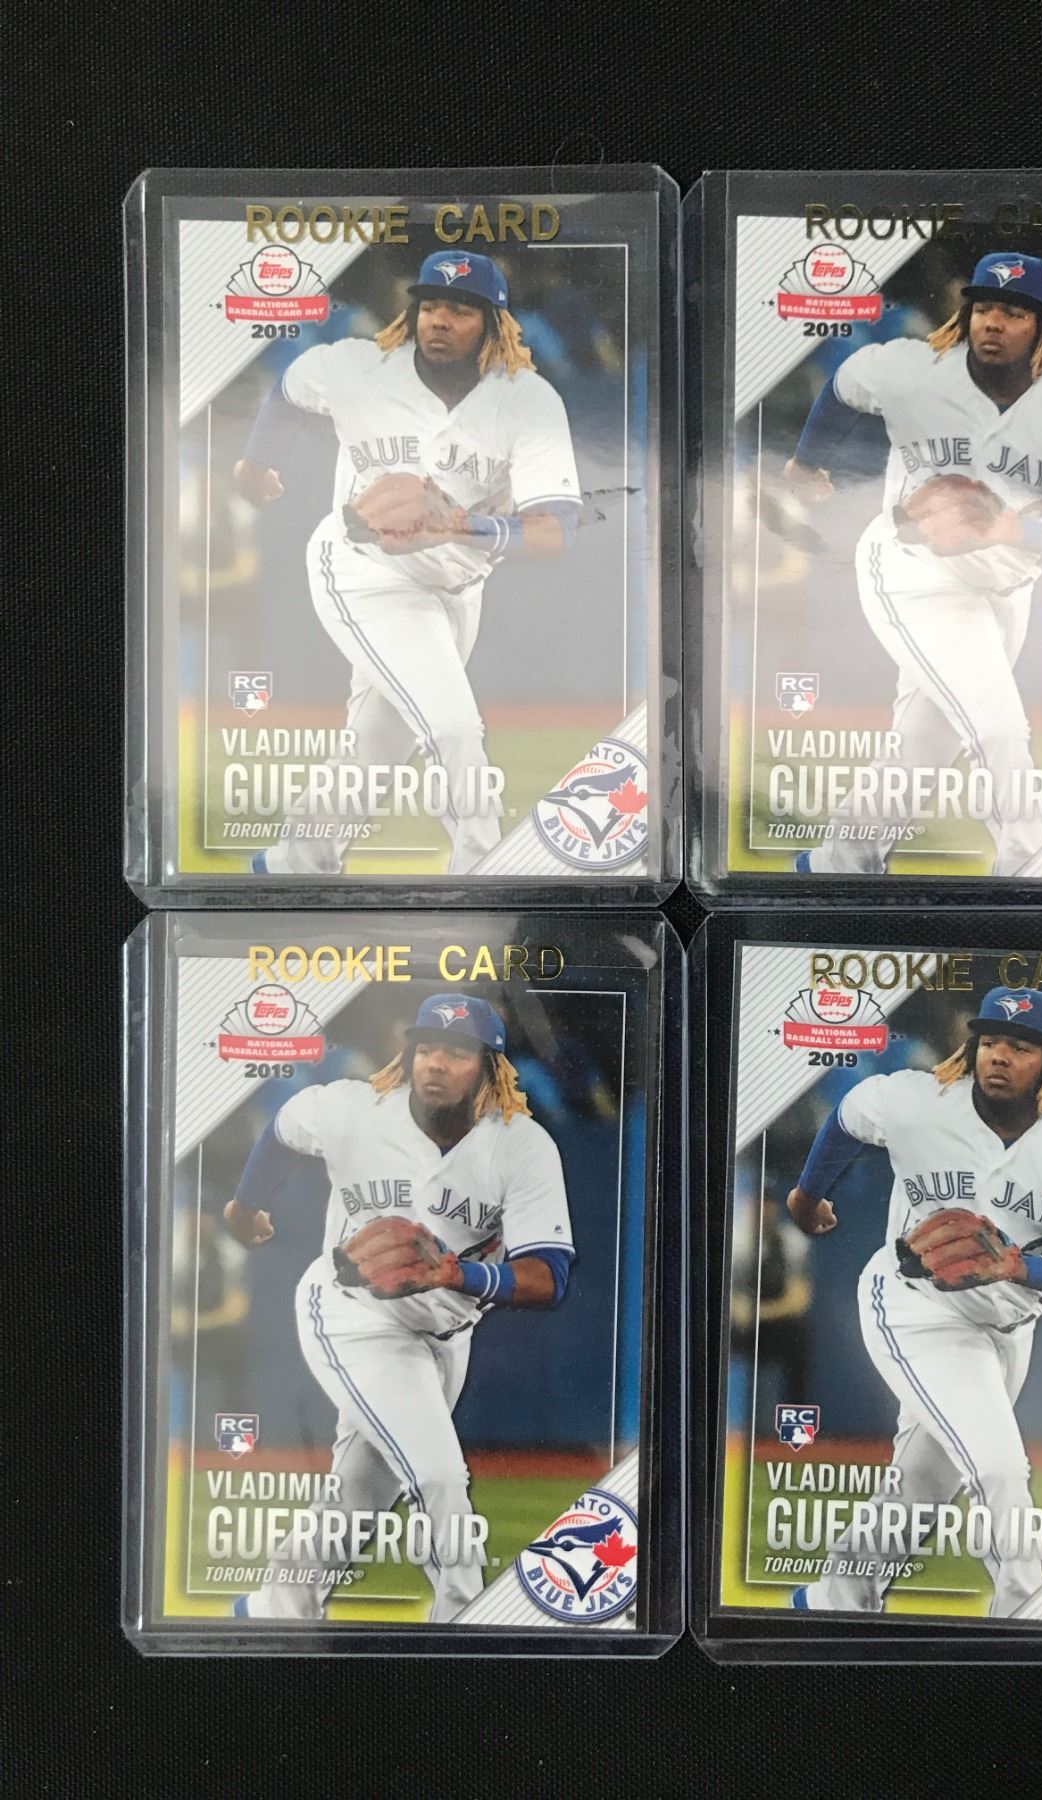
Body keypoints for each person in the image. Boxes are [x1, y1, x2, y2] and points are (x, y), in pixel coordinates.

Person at [783, 986, 1042, 1617]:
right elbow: (848, 1116)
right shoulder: (919, 1101)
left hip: (1009, 1326)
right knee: (999, 1470)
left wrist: (1022, 1267)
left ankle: (831, 1601)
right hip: (916, 1307)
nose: (999, 1055)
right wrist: (807, 1198)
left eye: (1021, 1046)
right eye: (990, 1040)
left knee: (920, 1486)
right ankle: (1023, 1622)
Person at [222, 994, 574, 1622]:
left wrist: (460, 1274)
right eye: (426, 1047)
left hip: (446, 1335)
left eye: (457, 1052)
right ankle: (463, 1624)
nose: (436, 1062)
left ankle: (273, 1609)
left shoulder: (522, 1146)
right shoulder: (356, 1110)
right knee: (438, 1477)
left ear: (490, 1068)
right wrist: (246, 1206)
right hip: (352, 1315)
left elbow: (548, 1276)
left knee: (358, 1494)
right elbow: (283, 1128)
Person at [234, 250, 581, 875]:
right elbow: (288, 388)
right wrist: (255, 465)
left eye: (461, 308)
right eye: (430, 304)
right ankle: (482, 874)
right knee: (453, 728)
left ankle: (291, 863)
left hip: (456, 587)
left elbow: (555, 532)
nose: (439, 319)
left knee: (374, 748)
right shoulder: (359, 367)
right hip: (364, 572)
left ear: (495, 324)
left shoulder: (527, 401)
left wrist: (466, 524)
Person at [786, 253, 1042, 876]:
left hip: (1007, 587)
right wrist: (808, 463)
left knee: (922, 748)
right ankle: (1026, 874)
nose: (993, 321)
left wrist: (1014, 529)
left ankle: (835, 864)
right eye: (984, 306)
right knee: (998, 731)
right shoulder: (913, 368)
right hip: (916, 572)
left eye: (1015, 311)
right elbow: (845, 383)